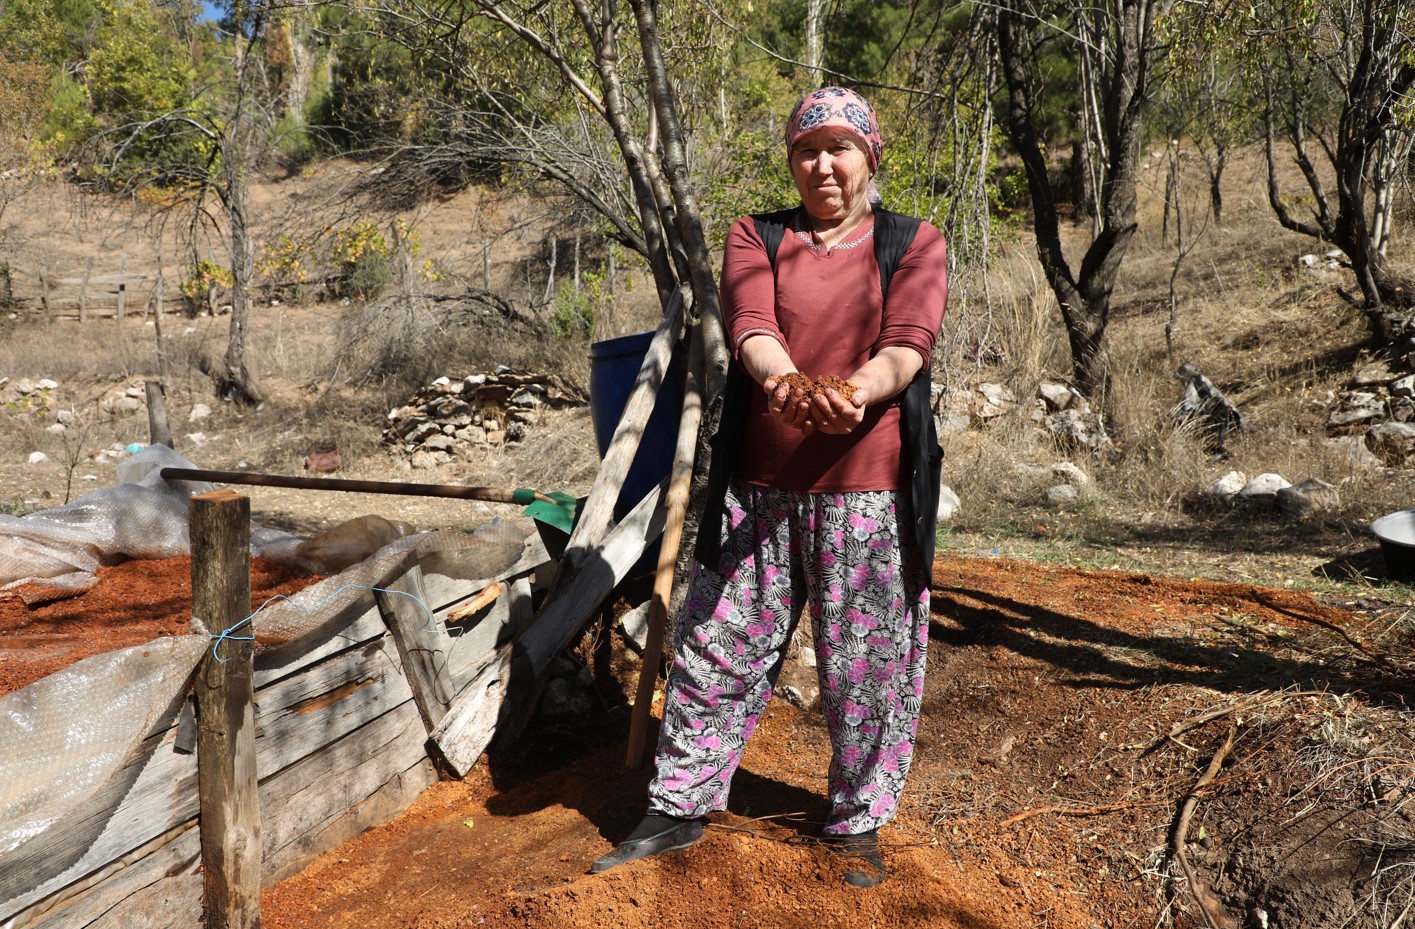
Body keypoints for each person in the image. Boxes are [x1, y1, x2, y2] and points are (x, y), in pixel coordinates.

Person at [591, 86, 948, 888]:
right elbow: (751, 325)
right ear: (791, 161)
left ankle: (856, 823)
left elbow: (907, 345)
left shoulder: (914, 241)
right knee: (714, 647)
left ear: (869, 157)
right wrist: (787, 385)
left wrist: (852, 393)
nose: (823, 163)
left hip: (867, 494)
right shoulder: (756, 235)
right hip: (758, 491)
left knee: (866, 667)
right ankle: (676, 806)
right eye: (806, 149)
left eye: (839, 147)